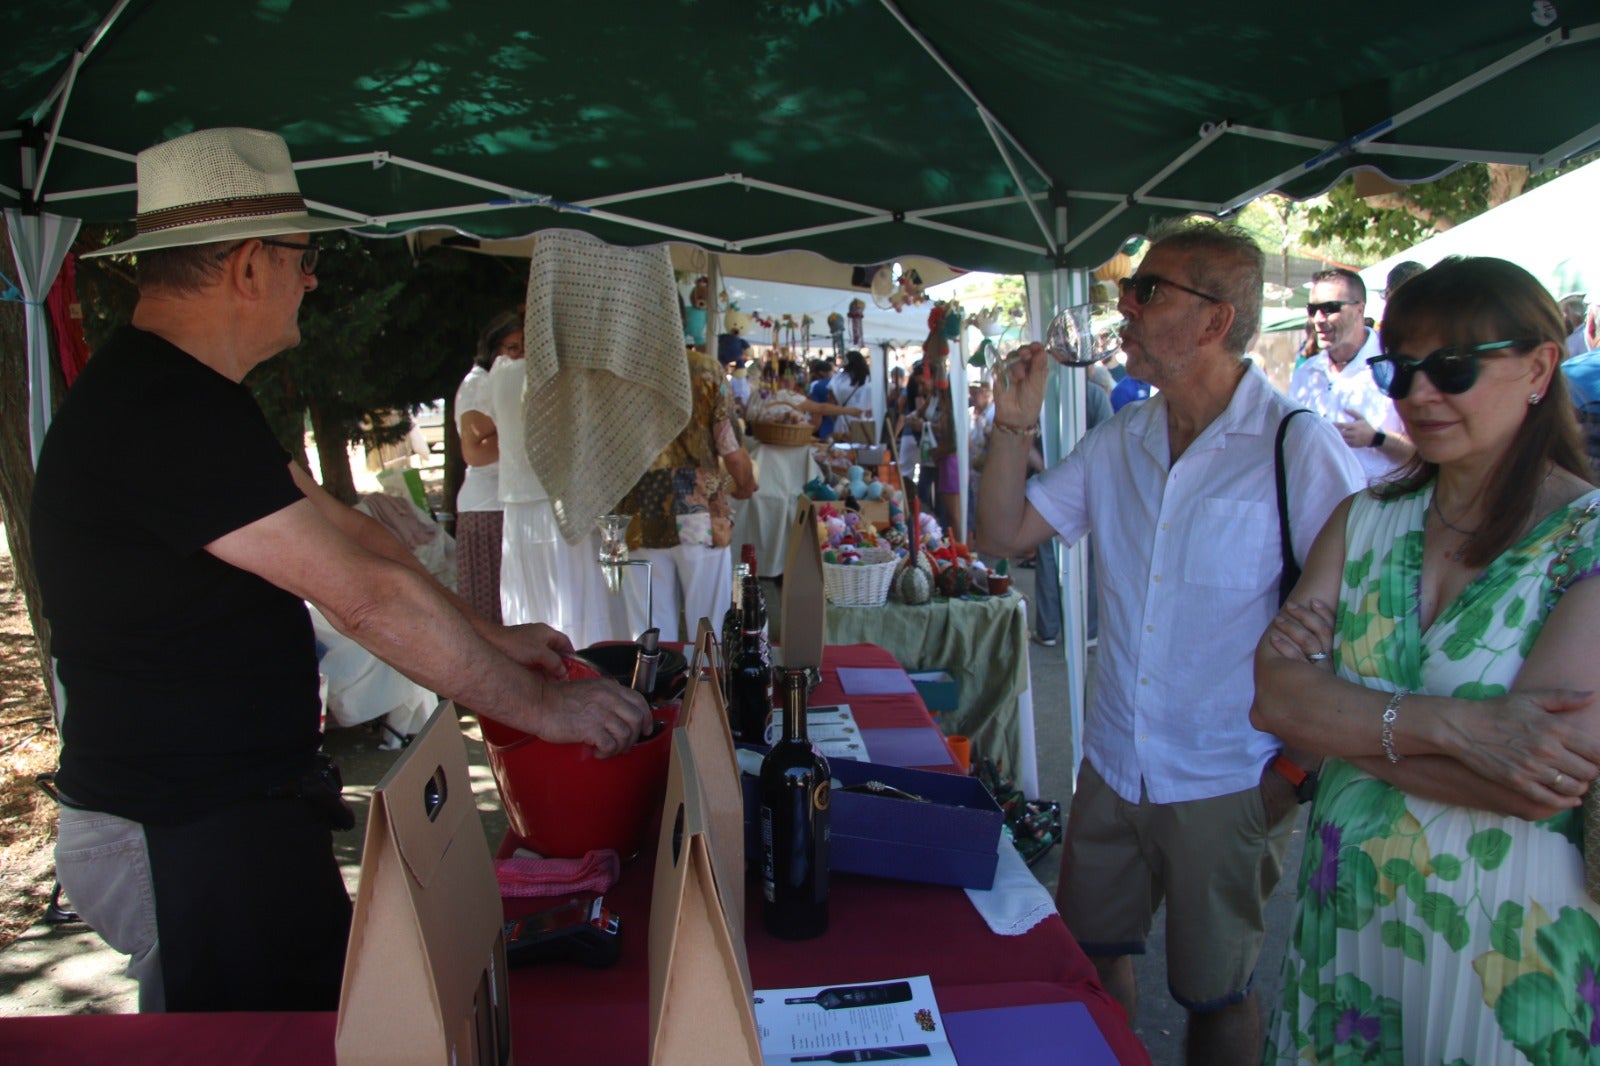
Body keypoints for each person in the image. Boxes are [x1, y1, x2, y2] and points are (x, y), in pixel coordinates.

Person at [29, 128, 650, 1015]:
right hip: (182, 825)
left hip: (233, 809)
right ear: (248, 267)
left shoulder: (191, 397)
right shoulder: (161, 412)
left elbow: (362, 544)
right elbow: (360, 598)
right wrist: (543, 710)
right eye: (301, 257)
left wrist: (495, 638)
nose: (312, 278)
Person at [977, 219, 1362, 1063]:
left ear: (1216, 320)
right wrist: (1010, 426)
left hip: (1230, 774)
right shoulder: (1122, 438)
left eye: (1148, 291)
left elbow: (1353, 630)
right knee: (1088, 962)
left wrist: (1294, 774)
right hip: (1114, 761)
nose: (1125, 304)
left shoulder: (1297, 446)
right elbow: (1003, 534)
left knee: (1216, 994)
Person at [1255, 256, 1600, 1064]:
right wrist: (1456, 726)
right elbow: (1272, 701)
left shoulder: (1586, 538)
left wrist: (1340, 724)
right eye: (1400, 369)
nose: (1417, 394)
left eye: (1451, 368)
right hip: (1349, 921)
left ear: (1540, 367)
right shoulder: (1364, 518)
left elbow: (1536, 779)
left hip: (1508, 944)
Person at [615, 346, 758, 642]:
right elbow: (730, 449)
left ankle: (653, 689)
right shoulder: (703, 369)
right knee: (709, 631)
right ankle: (706, 687)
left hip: (638, 513)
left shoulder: (620, 367)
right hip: (699, 513)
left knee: (649, 636)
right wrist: (744, 484)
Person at [1290, 268, 1415, 485]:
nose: (1318, 320)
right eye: (1312, 310)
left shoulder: (1395, 367)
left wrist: (1377, 438)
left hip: (1380, 509)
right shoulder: (1306, 374)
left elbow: (1424, 456)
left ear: (1359, 309)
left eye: (1330, 308)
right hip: (1318, 510)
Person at [453, 311, 524, 622]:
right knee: (492, 617)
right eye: (512, 347)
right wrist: (523, 431)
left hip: (507, 506)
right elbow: (474, 451)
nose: (521, 355)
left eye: (526, 346)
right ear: (492, 349)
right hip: (486, 511)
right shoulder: (477, 384)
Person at [829, 348, 874, 442]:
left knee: (841, 452)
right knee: (862, 453)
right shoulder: (870, 380)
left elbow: (831, 403)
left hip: (842, 420)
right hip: (864, 422)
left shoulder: (837, 379)